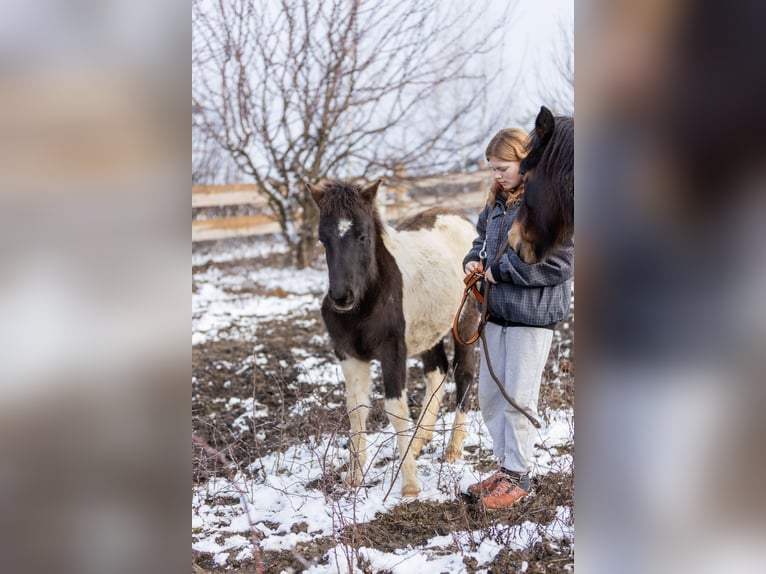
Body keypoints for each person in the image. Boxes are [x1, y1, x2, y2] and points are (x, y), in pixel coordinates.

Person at [463, 128, 574, 510]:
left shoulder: (550, 205)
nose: (497, 175)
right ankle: (505, 468)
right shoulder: (496, 201)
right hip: (496, 313)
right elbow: (480, 240)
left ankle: (520, 476)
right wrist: (474, 260)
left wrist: (504, 270)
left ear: (524, 162)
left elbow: (561, 263)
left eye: (503, 167)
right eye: (492, 169)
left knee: (518, 397)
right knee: (491, 396)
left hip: (531, 317)